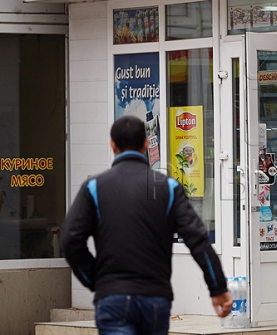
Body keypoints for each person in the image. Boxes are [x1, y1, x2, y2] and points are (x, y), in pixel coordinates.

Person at [61, 115, 232, 335]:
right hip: (154, 299)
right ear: (145, 143)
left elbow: (70, 239)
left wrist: (94, 278)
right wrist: (217, 288)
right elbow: (198, 239)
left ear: (112, 145)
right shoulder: (168, 188)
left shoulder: (94, 187)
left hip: (112, 298)